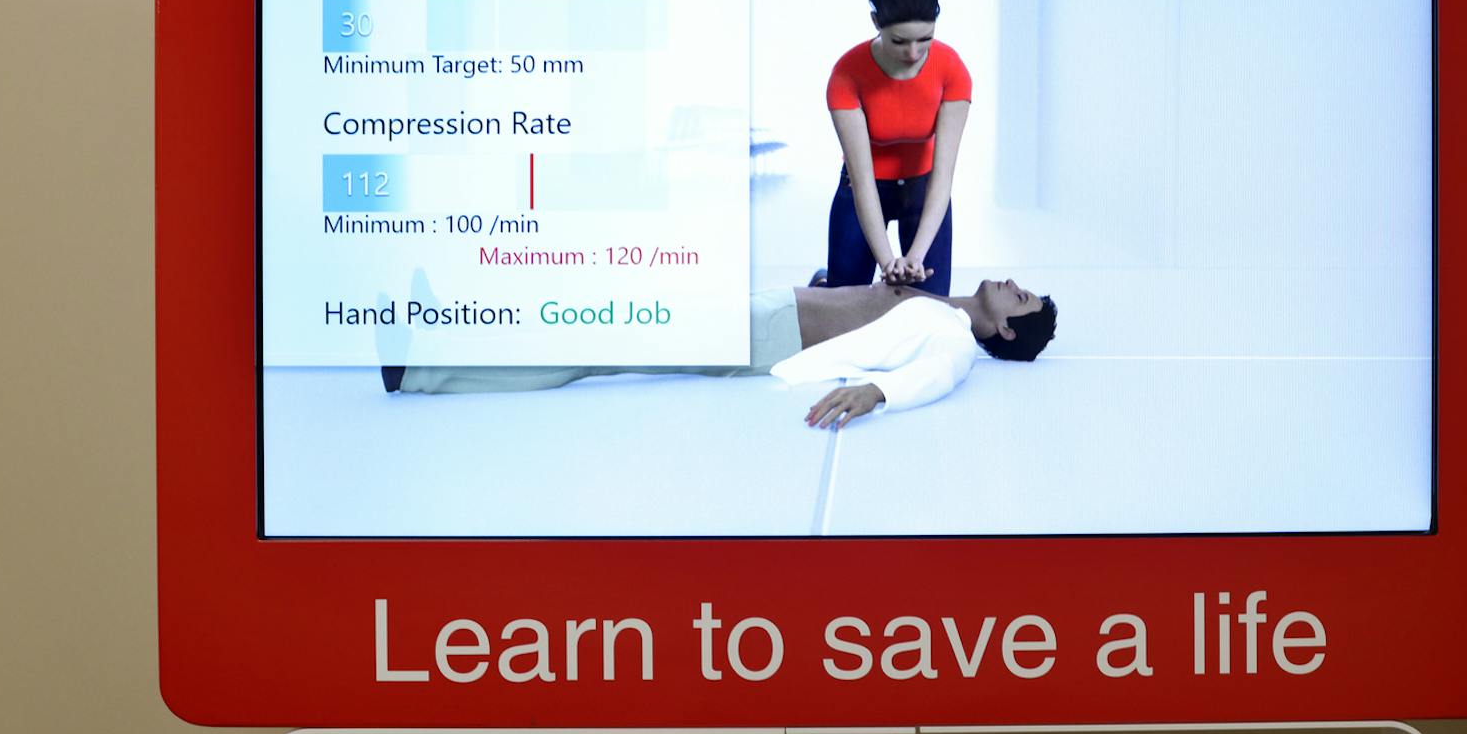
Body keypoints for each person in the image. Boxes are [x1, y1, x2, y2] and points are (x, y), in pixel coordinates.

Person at [388, 278, 1059, 428]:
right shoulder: (938, 300)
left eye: (1021, 300)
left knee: (600, 343)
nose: (1012, 285)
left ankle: (426, 364)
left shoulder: (955, 341)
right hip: (764, 309)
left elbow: (935, 378)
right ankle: (445, 317)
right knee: (604, 308)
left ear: (1005, 333)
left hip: (768, 339)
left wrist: (877, 394)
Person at [823, 0, 970, 297]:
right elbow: (861, 181)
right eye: (900, 42)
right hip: (865, 185)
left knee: (929, 301)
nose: (914, 54)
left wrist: (914, 258)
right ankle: (822, 285)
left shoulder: (952, 70)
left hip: (924, 186)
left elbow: (943, 176)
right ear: (876, 22)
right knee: (844, 299)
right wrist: (888, 261)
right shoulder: (847, 74)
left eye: (925, 40)